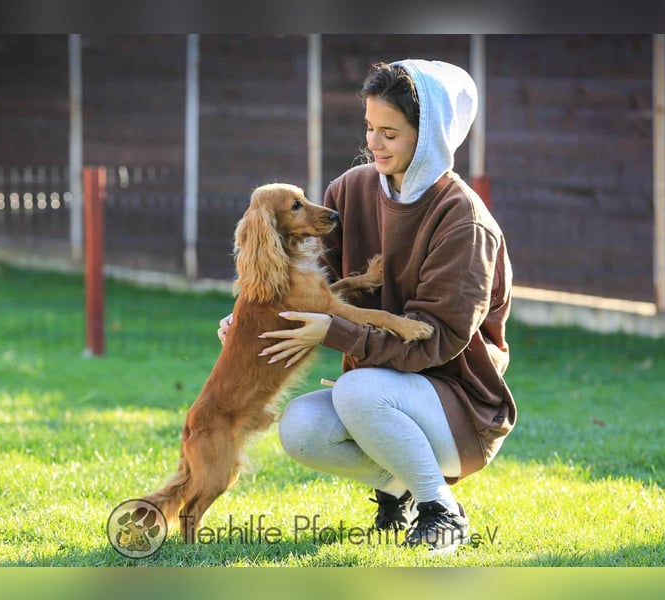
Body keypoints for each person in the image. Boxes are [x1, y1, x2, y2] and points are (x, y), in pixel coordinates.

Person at [218, 59, 516, 555]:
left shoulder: (464, 222)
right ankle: (400, 484)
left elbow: (436, 340)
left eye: (390, 134)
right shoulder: (350, 190)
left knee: (357, 391)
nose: (374, 144)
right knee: (300, 427)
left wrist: (334, 335)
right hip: (381, 390)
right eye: (370, 128)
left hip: (460, 407)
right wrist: (252, 314)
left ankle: (440, 510)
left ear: (432, 136)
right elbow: (314, 283)